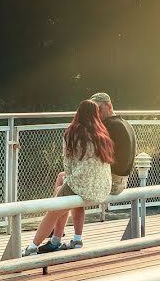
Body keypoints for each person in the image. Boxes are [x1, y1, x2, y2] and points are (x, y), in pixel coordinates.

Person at [23, 100, 114, 255]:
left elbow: (68, 164)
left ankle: (32, 247)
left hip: (82, 184)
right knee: (73, 195)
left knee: (52, 211)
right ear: (96, 115)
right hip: (103, 186)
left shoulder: (72, 132)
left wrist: (68, 181)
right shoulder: (102, 134)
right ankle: (76, 240)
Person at [51, 92, 137, 249]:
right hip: (122, 180)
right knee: (67, 181)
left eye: (98, 109)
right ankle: (69, 235)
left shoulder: (108, 127)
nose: (95, 114)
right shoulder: (125, 123)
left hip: (112, 183)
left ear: (108, 106)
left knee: (69, 184)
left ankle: (55, 234)